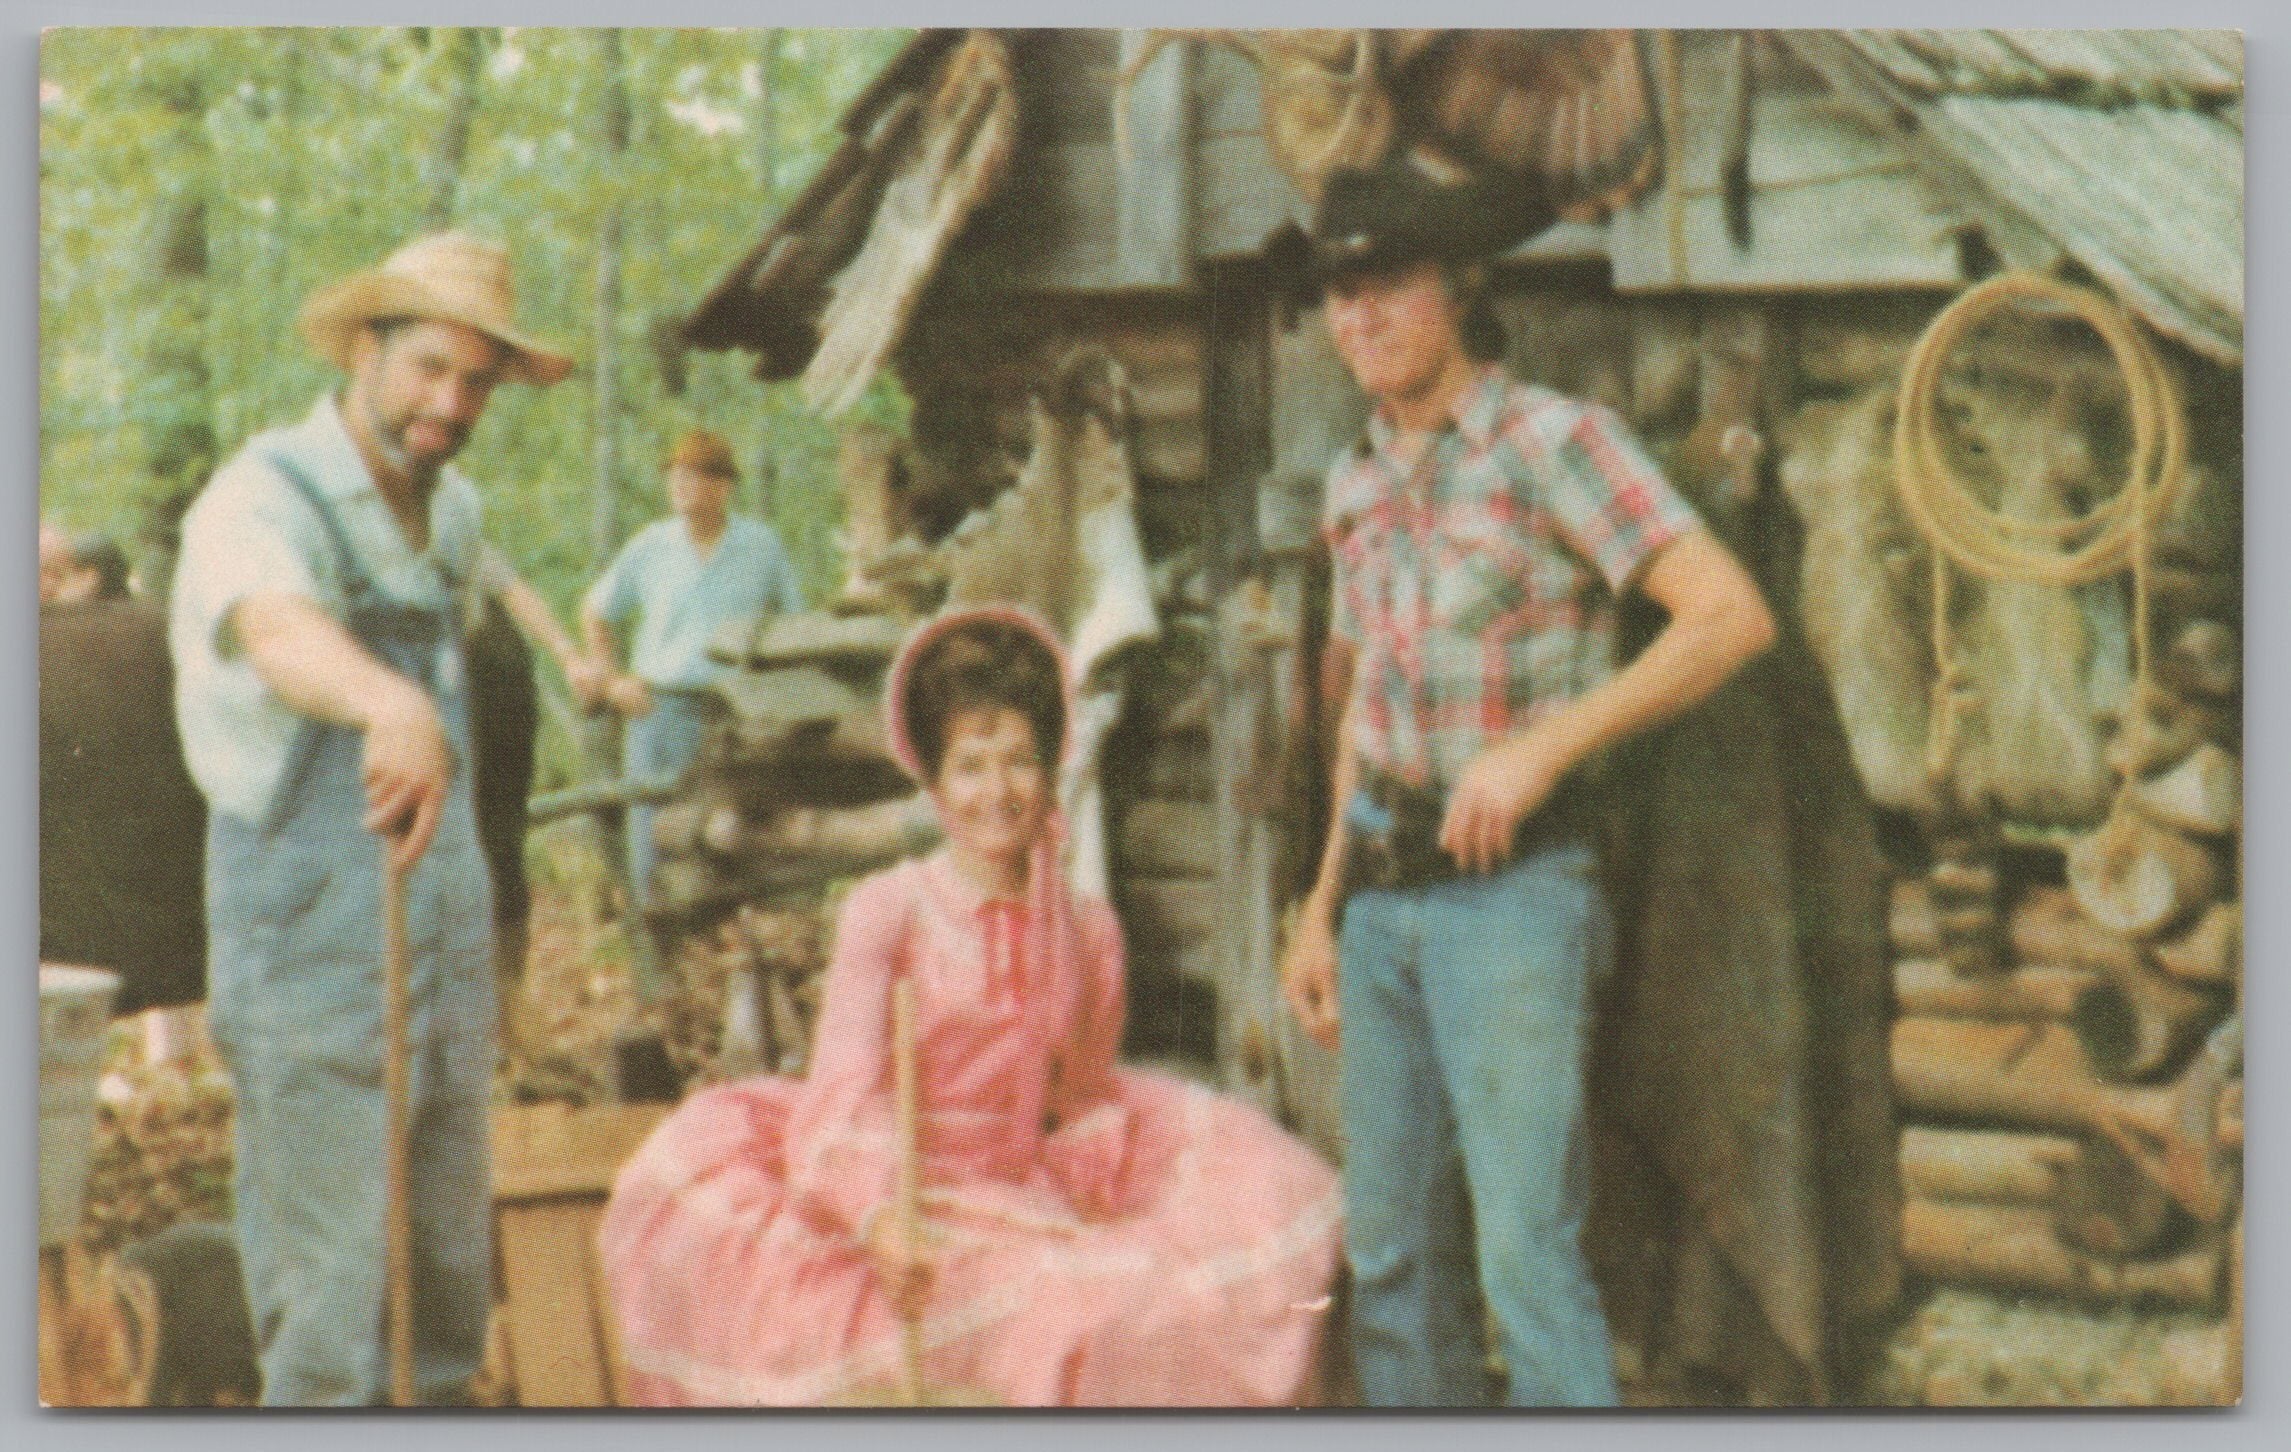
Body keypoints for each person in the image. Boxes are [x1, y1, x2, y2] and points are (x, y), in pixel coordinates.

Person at [1272, 162, 1778, 1407]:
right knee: (1390, 1260)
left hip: (1515, 899)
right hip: (1380, 899)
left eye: (1384, 281)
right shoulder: (1355, 484)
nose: (1359, 316)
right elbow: (1364, 722)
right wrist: (1319, 900)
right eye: (1338, 292)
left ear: (1457, 284)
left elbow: (1727, 617)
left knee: (1523, 1256)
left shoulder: (1557, 444)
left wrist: (1546, 746)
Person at [599, 607, 1342, 1406]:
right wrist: (881, 1219)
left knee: (1255, 1214)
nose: (998, 792)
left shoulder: (1085, 928)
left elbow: (1082, 1094)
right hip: (899, 1180)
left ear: (1052, 768)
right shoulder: (890, 911)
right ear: (935, 781)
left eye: (1020, 761)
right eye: (971, 766)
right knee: (1038, 1313)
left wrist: (1083, 1179)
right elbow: (845, 1088)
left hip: (1018, 1187)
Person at [168, 230, 572, 1405]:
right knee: (331, 1297)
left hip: (436, 930)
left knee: (446, 1282)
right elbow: (277, 627)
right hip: (310, 939)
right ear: (363, 348)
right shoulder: (259, 496)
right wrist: (384, 696)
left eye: (476, 383)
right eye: (425, 369)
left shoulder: (452, 519)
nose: (449, 405)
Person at [581, 429, 805, 927]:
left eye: (695, 476)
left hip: (738, 711)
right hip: (658, 710)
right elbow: (596, 610)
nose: (681, 486)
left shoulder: (760, 547)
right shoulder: (650, 547)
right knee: (652, 839)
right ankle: (658, 968)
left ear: (724, 486)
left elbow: (794, 621)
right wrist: (613, 679)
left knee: (732, 830)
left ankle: (734, 955)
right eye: (675, 476)